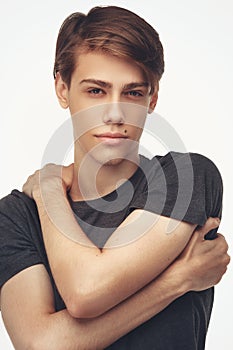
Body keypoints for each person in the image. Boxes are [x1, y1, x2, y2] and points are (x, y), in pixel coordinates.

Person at [0, 5, 230, 350]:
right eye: (96, 91)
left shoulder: (185, 179)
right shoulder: (15, 217)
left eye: (133, 93)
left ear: (153, 98)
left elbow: (85, 292)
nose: (115, 113)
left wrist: (49, 193)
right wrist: (178, 281)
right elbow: (42, 344)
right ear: (63, 90)